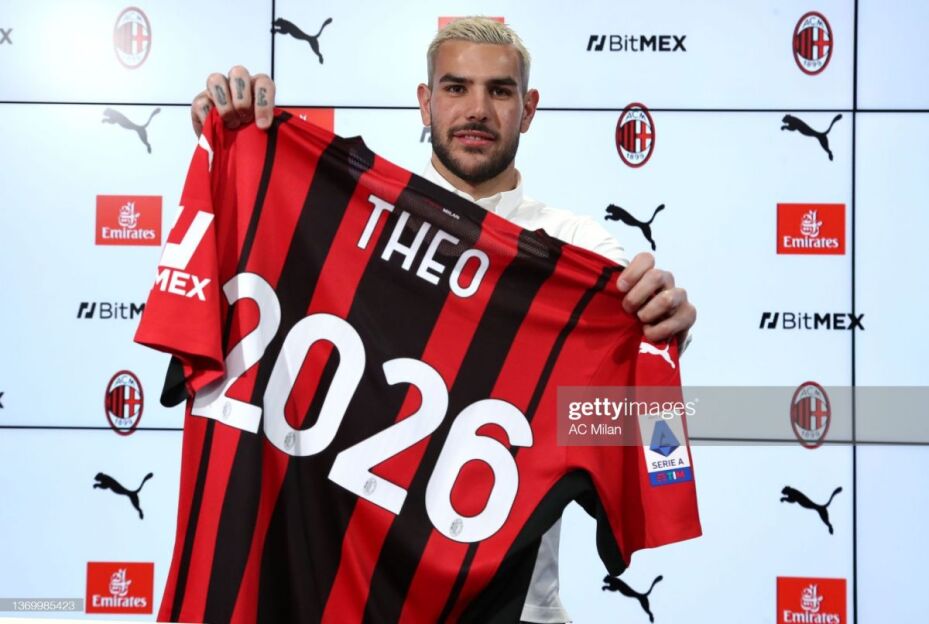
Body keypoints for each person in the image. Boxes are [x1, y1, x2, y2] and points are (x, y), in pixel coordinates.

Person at [187, 17, 696, 624]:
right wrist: (241, 157)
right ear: (425, 103)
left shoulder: (584, 254)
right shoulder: (347, 219)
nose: (477, 109)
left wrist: (660, 339)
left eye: (500, 91)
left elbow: (633, 424)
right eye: (456, 88)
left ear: (528, 109)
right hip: (336, 599)